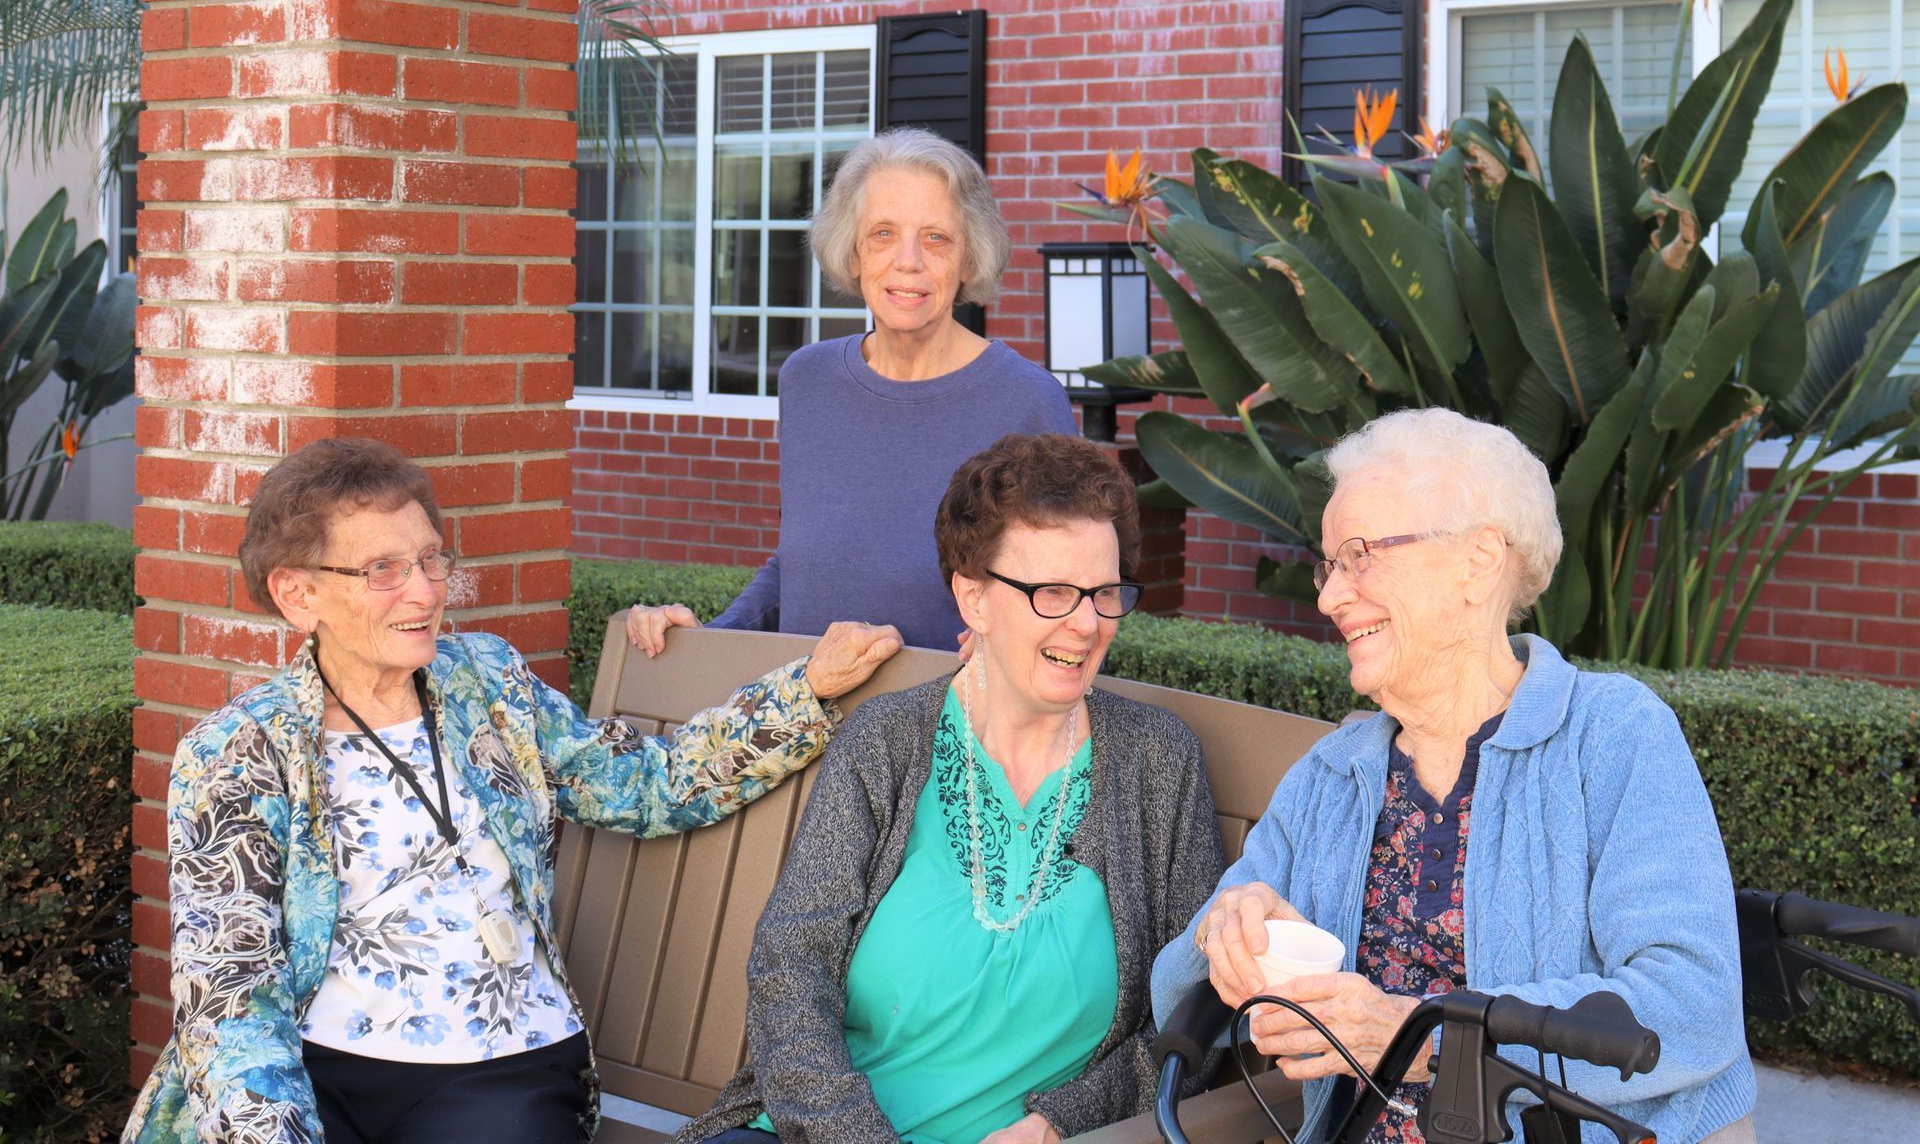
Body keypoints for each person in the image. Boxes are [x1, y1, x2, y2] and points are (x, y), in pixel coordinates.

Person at [122, 438, 902, 1144]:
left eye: (432, 560)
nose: (426, 592)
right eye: (384, 570)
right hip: (313, 1067)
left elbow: (646, 786)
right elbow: (229, 998)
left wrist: (807, 690)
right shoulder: (238, 752)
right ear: (298, 594)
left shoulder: (487, 683)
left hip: (498, 1065)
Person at [1150, 408, 1755, 1144]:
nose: (1328, 596)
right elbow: (1179, 1001)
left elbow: (1691, 1002)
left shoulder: (1613, 738)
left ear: (1477, 561)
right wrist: (1225, 931)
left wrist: (1419, 1036)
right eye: (1330, 564)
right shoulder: (1331, 779)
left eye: (1361, 554)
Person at [679, 434, 1225, 1144]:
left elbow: (1196, 1021)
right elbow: (791, 966)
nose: (1087, 623)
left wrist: (1059, 1124)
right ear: (974, 597)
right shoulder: (889, 741)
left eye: (1104, 592)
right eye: (1053, 592)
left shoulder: (1157, 763)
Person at [626, 127, 1076, 658]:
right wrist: (705, 639)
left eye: (936, 237)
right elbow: (799, 568)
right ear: (854, 251)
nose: (908, 259)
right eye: (883, 232)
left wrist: (1006, 648)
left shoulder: (1027, 399)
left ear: (970, 258)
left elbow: (1074, 591)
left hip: (947, 720)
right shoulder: (807, 380)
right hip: (804, 718)